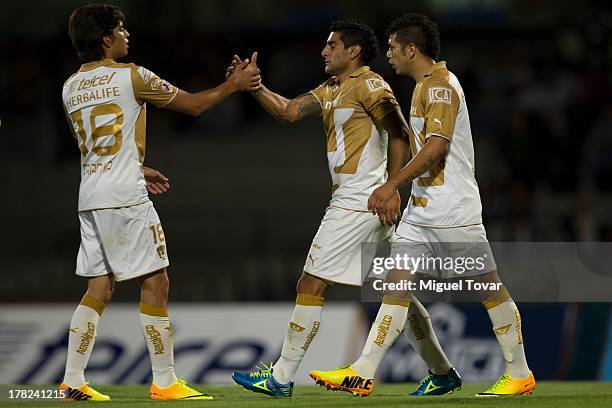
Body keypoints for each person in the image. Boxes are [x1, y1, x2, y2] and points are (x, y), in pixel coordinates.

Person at [227, 20, 461, 398]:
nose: (324, 51)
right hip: (361, 200)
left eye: (331, 45)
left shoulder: (370, 85)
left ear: (353, 52)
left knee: (311, 283)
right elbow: (287, 111)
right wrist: (254, 86)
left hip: (358, 200)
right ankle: (442, 371)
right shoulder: (331, 89)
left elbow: (399, 133)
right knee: (396, 293)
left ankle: (281, 377)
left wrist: (391, 187)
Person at [311, 13, 536, 397]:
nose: (390, 55)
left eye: (394, 48)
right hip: (422, 209)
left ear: (411, 49)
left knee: (489, 289)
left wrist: (391, 183)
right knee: (395, 285)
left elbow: (437, 145)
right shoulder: (422, 87)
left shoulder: (441, 87)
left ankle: (519, 373)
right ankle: (363, 371)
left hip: (452, 210)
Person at [60, 4, 260, 401]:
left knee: (98, 286)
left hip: (91, 193)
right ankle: (165, 381)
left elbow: (98, 146)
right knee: (156, 280)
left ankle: (72, 381)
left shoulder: (69, 86)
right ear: (106, 39)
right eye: (120, 29)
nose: (127, 35)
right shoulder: (132, 75)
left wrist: (138, 165)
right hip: (123, 197)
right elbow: (194, 105)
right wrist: (234, 86)